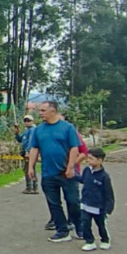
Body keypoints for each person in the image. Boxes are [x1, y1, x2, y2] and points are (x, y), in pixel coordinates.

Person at [26, 100, 83, 242]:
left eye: (43, 111)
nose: (40, 113)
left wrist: (70, 167)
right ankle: (62, 230)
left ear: (53, 111)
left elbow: (74, 148)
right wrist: (31, 166)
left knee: (73, 201)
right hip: (48, 173)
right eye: (39, 110)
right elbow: (34, 148)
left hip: (66, 172)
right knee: (53, 203)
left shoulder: (67, 128)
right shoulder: (39, 129)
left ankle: (80, 227)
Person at [76, 147, 115, 251]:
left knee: (101, 225)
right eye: (88, 158)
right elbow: (83, 180)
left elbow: (109, 194)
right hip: (85, 203)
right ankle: (90, 241)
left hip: (98, 207)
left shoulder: (104, 177)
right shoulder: (87, 171)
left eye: (91, 158)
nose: (88, 160)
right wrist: (73, 176)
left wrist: (108, 209)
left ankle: (105, 240)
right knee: (85, 224)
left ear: (100, 160)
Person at [13, 115, 39, 194]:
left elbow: (31, 142)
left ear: (32, 121)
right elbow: (20, 140)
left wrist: (28, 152)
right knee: (31, 169)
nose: (26, 122)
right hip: (27, 152)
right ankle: (34, 187)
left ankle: (30, 187)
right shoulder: (27, 130)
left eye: (28, 121)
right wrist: (17, 132)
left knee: (29, 169)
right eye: (25, 121)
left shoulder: (32, 130)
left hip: (30, 153)